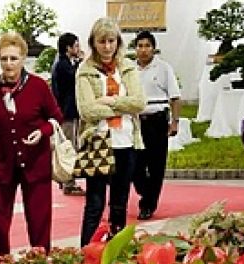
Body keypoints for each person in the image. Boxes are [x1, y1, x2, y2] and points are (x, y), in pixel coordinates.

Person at [0, 32, 62, 255]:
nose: (8, 64)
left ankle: (41, 262)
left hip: (36, 164)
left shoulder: (38, 86)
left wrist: (42, 131)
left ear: (23, 58)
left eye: (13, 58)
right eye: (4, 58)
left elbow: (56, 116)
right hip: (3, 164)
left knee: (38, 219)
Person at [76, 17, 145, 246]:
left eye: (111, 41)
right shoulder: (85, 71)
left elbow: (139, 102)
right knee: (95, 204)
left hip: (126, 142)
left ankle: (117, 251)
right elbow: (86, 110)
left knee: (120, 202)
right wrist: (121, 103)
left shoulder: (127, 67)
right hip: (98, 140)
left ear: (118, 42)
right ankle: (86, 252)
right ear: (93, 43)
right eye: (102, 41)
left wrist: (110, 101)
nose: (107, 47)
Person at [132, 31, 180, 220]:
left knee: (156, 165)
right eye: (140, 46)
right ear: (135, 49)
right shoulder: (129, 70)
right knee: (135, 166)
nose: (143, 50)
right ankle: (145, 191)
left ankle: (148, 205)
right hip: (135, 122)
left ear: (153, 48)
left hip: (157, 121)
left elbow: (175, 97)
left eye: (147, 46)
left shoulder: (164, 68)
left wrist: (175, 122)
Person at [51, 32, 85, 196]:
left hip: (68, 111)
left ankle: (67, 180)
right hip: (66, 112)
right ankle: (68, 182)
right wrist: (80, 63)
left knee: (70, 145)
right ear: (68, 47)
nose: (78, 49)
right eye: (76, 45)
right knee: (68, 147)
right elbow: (75, 78)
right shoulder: (63, 64)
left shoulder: (63, 63)